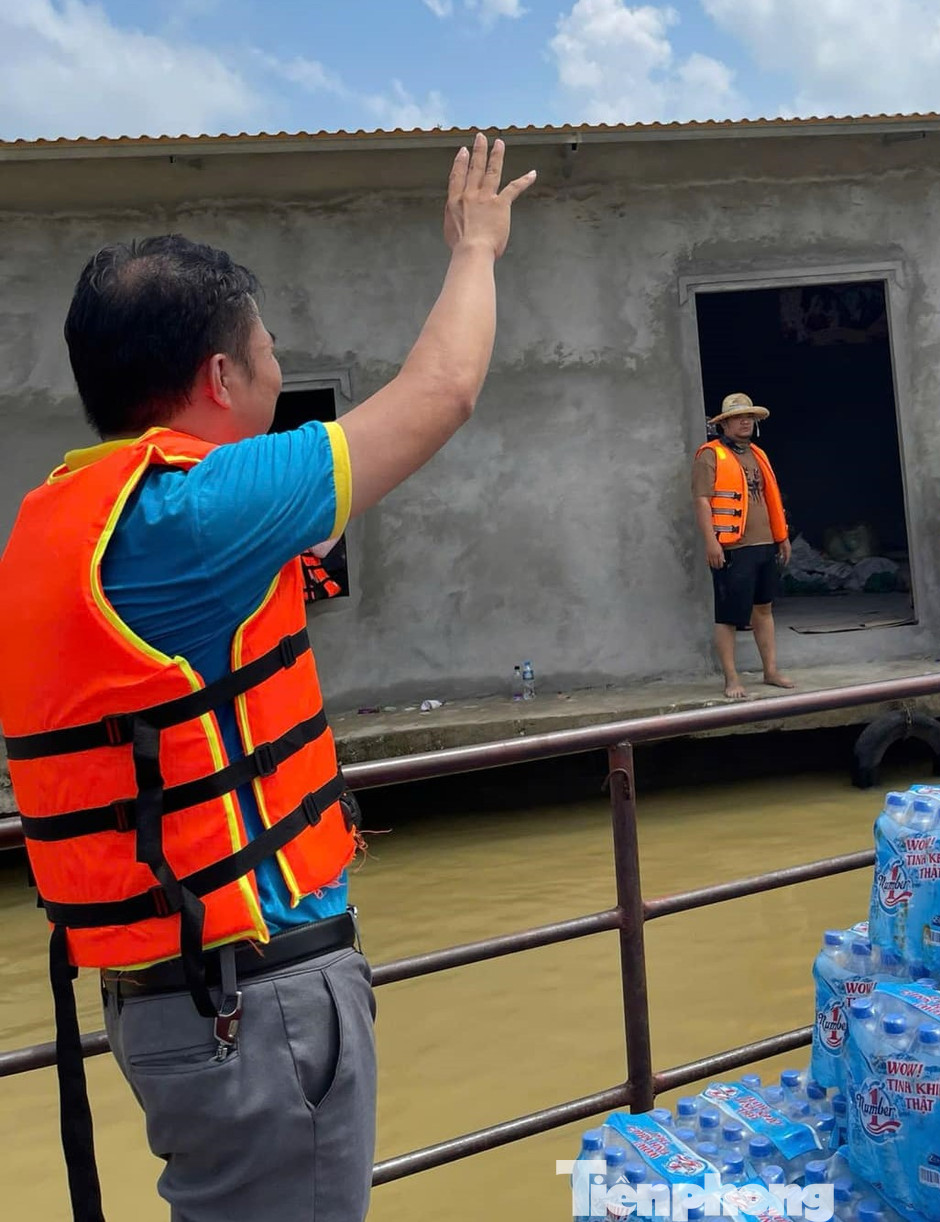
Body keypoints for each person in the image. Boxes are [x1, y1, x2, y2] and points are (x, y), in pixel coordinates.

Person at [0, 134, 534, 1222]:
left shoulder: (62, 519)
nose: (279, 374)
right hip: (256, 1005)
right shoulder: (197, 512)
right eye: (269, 351)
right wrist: (475, 250)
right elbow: (441, 391)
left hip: (180, 998)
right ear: (220, 377)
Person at [691, 392, 795, 699]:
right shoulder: (710, 455)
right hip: (733, 546)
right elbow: (701, 501)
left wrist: (782, 537)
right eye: (738, 417)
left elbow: (772, 499)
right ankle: (732, 678)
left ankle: (771, 670)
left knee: (764, 609)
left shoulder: (758, 454)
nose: (745, 421)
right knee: (729, 615)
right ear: (725, 423)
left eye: (749, 416)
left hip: (765, 544)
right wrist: (712, 542)